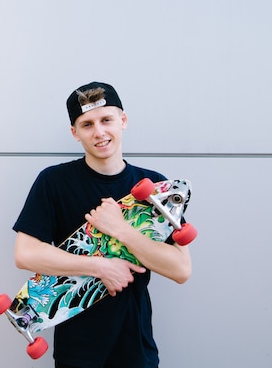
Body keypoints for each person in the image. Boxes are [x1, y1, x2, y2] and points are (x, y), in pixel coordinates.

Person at [12, 82, 192, 368]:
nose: (99, 132)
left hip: (137, 347)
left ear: (123, 120)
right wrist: (100, 267)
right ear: (75, 133)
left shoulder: (156, 188)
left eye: (106, 120)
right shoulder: (54, 183)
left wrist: (121, 229)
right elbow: (25, 254)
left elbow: (181, 270)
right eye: (87, 124)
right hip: (78, 351)